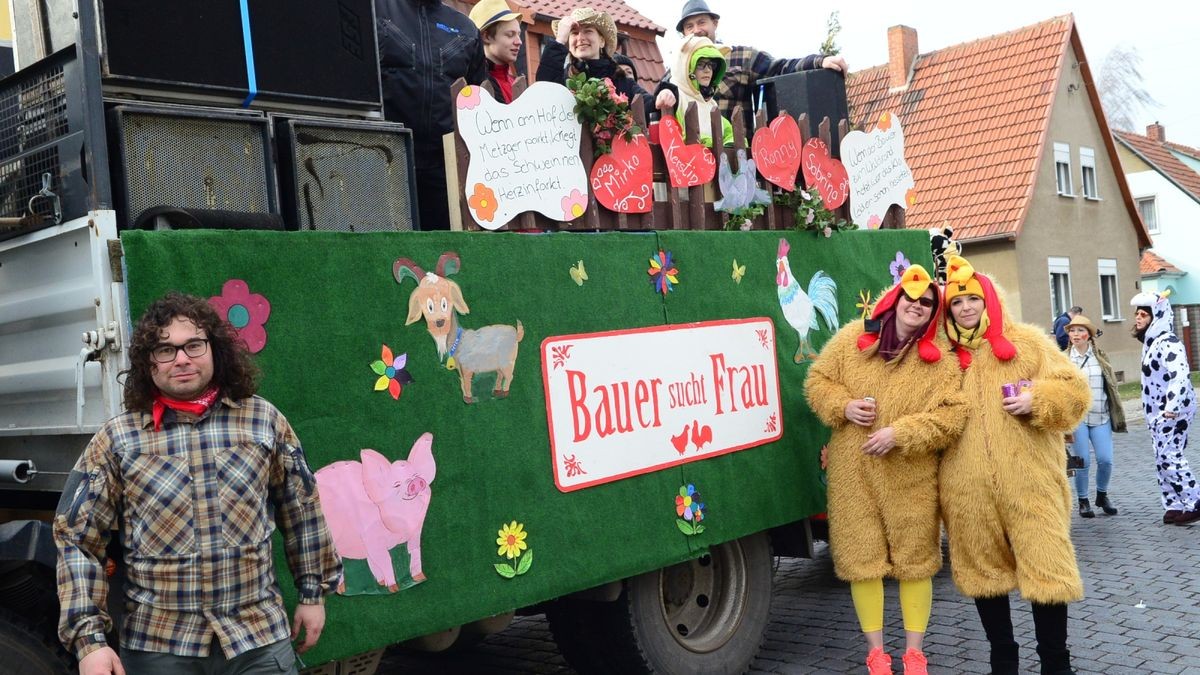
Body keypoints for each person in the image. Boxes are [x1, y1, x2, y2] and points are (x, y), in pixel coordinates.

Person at [55, 292, 342, 675]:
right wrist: (90, 642)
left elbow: (301, 508)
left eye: (193, 344)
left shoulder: (263, 420)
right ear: (148, 363)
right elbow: (76, 538)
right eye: (165, 350)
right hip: (159, 646)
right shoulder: (117, 439)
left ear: (215, 349)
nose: (182, 358)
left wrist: (311, 594)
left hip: (258, 640)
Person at [807, 264, 966, 675]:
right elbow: (817, 381)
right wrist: (843, 405)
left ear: (934, 313)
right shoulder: (851, 341)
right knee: (862, 561)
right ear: (894, 300)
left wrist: (902, 433)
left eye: (927, 302)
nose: (917, 306)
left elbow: (951, 417)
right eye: (911, 298)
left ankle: (914, 653)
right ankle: (876, 653)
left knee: (916, 561)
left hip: (909, 476)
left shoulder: (940, 361)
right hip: (853, 473)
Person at [938, 256, 1089, 675]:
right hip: (968, 492)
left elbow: (1073, 391)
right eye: (956, 302)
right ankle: (1003, 660)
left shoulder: (1028, 343)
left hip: (1031, 486)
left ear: (988, 301)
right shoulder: (941, 358)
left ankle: (1056, 664)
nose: (966, 307)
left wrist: (1036, 399)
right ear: (948, 310)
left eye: (972, 299)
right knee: (985, 576)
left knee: (1047, 572)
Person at [656, 0, 849, 132]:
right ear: (684, 33)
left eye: (701, 22)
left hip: (734, 159)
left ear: (715, 23)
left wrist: (818, 61)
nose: (697, 30)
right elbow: (655, 104)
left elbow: (779, 67)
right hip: (691, 164)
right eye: (689, 26)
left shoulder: (741, 57)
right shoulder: (676, 70)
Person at [376, 0, 486, 230]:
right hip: (382, 159)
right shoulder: (374, 10)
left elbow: (479, 101)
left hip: (445, 169)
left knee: (443, 252)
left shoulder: (465, 28)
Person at [1129, 290, 1200, 525]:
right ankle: (1174, 503)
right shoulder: (1151, 342)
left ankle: (1194, 502)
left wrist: (1172, 406)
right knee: (1161, 458)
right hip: (1157, 411)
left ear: (1156, 316)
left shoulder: (1168, 342)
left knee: (1170, 456)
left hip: (1173, 410)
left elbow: (1179, 375)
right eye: (1137, 314)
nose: (1138, 318)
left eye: (1143, 314)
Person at [1063, 314, 1125, 518]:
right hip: (1078, 419)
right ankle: (1083, 500)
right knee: (1081, 462)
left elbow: (1111, 386)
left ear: (1089, 335)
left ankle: (1102, 495)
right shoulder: (1064, 359)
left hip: (1101, 416)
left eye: (1080, 330)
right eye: (1072, 330)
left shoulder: (1100, 356)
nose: (1075, 334)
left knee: (1105, 460)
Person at [535, 7, 652, 110]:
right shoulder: (563, 79)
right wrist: (560, 39)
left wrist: (665, 92)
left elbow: (649, 104)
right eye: (574, 33)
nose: (580, 38)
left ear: (601, 41)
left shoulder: (622, 82)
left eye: (588, 31)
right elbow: (544, 90)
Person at [656, 35, 734, 147]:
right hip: (686, 162)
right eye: (700, 65)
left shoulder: (710, 103)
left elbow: (728, 132)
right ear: (687, 68)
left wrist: (729, 144)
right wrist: (708, 144)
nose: (707, 70)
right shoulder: (678, 96)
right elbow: (674, 134)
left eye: (711, 65)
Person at [469, 0, 523, 104]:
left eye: (519, 34)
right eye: (510, 34)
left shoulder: (515, 82)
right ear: (486, 36)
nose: (519, 42)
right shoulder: (472, 84)